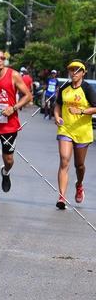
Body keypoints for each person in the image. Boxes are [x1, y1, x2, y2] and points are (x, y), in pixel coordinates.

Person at [0, 48, 33, 192]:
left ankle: (6, 172)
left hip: (10, 126)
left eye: (2, 58)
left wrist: (13, 108)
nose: (0, 61)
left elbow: (28, 96)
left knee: (8, 160)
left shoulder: (13, 75)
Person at [53, 60, 96, 209]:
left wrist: (82, 111)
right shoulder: (64, 87)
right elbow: (58, 104)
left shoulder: (87, 89)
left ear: (83, 73)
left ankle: (79, 185)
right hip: (66, 129)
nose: (74, 73)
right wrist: (57, 116)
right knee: (64, 160)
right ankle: (62, 197)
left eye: (77, 70)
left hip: (83, 131)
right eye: (72, 70)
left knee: (80, 165)